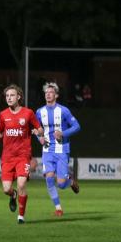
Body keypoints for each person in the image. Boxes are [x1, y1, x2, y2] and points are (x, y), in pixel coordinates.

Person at [0, 84, 42, 224]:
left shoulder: (28, 113)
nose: (9, 98)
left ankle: (21, 216)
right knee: (6, 189)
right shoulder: (3, 114)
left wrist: (37, 132)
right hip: (7, 157)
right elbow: (0, 132)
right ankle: (13, 195)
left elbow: (40, 129)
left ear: (19, 97)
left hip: (23, 156)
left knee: (21, 183)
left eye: (12, 95)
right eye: (7, 96)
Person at [35, 82, 81, 216]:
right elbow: (38, 131)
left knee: (61, 184)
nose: (48, 94)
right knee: (49, 178)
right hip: (47, 149)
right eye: (46, 93)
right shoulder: (39, 112)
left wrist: (63, 133)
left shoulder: (64, 111)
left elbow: (77, 126)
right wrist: (40, 138)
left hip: (62, 150)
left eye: (50, 92)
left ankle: (70, 181)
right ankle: (58, 208)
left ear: (56, 95)